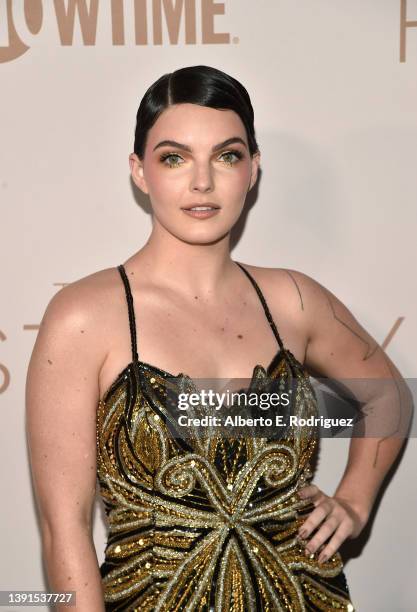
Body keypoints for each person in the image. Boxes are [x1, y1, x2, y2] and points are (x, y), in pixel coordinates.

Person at [26, 65, 411, 611]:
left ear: (253, 169)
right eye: (174, 158)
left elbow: (388, 394)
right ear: (140, 172)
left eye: (227, 156)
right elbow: (62, 533)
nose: (201, 182)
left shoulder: (293, 300)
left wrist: (353, 502)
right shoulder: (85, 316)